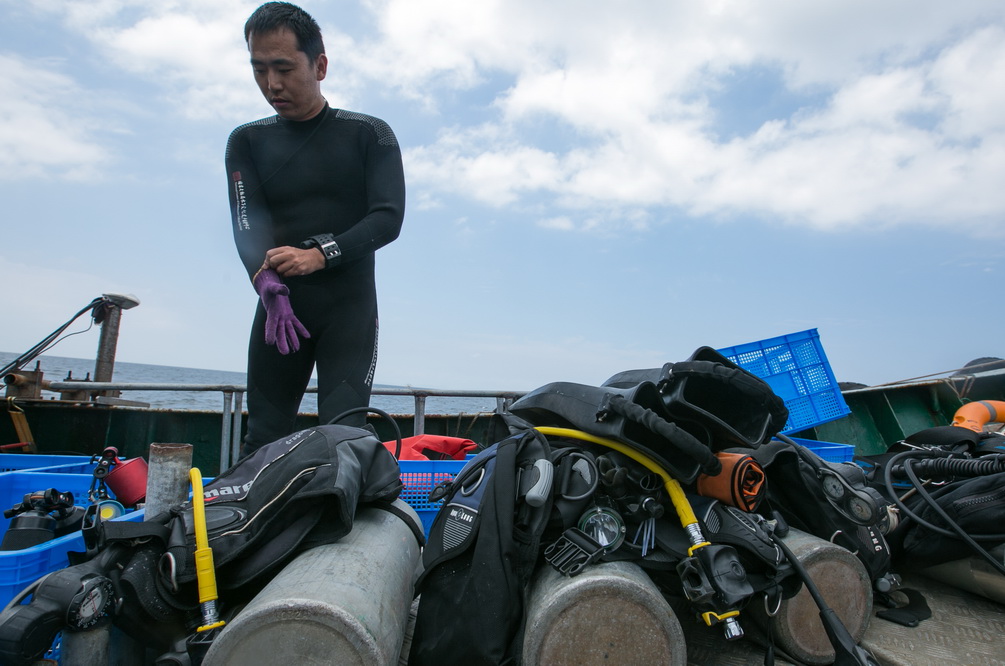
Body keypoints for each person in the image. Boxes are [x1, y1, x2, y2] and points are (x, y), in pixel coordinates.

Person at [226, 1, 405, 456]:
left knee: (344, 442)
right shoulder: (245, 141)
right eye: (259, 69)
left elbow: (388, 218)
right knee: (262, 440)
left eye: (283, 68)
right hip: (280, 310)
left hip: (349, 307)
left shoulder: (370, 134)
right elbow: (247, 225)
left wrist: (319, 253)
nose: (272, 84)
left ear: (320, 65)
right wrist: (267, 283)